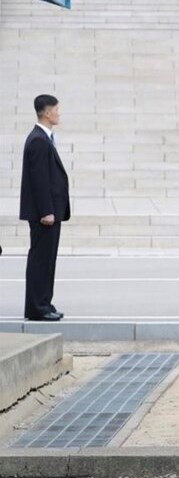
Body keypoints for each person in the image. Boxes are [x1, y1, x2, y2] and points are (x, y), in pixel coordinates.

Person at [20, 94, 70, 322]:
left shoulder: (43, 138)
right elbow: (39, 181)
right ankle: (37, 307)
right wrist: (46, 211)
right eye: (57, 110)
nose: (59, 113)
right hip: (45, 215)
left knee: (47, 260)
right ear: (48, 113)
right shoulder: (39, 140)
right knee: (41, 260)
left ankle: (44, 303)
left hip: (50, 212)